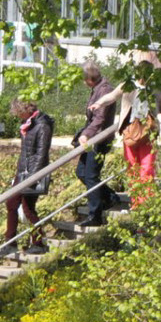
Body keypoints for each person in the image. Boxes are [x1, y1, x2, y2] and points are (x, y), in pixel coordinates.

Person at [67, 62, 118, 229]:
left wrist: (86, 134)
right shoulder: (98, 88)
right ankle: (110, 197)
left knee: (90, 175)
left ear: (89, 79)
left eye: (84, 79)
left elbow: (100, 118)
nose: (83, 82)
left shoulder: (104, 90)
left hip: (99, 139)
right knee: (81, 172)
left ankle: (95, 215)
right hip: (93, 138)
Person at [6, 100, 53, 251]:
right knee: (11, 203)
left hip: (33, 173)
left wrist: (33, 177)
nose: (18, 116)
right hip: (23, 171)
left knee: (28, 208)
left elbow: (41, 153)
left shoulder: (42, 125)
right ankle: (10, 242)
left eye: (19, 113)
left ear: (26, 109)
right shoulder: (28, 124)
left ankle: (38, 243)